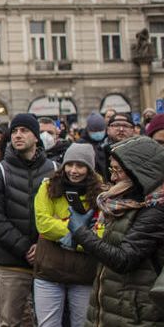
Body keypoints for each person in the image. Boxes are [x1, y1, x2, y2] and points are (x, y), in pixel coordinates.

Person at [70, 135, 164, 325]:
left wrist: (81, 233)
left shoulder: (155, 210)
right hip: (112, 308)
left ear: (139, 172)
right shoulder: (127, 203)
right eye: (111, 169)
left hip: (135, 313)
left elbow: (124, 259)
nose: (112, 177)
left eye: (117, 170)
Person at [0, 113, 57, 327]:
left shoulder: (54, 170)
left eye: (24, 130)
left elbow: (61, 213)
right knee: (10, 321)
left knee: (49, 321)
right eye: (14, 131)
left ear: (36, 137)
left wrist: (42, 245)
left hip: (49, 258)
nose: (17, 135)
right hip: (10, 261)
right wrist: (26, 247)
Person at [32, 143, 104, 327]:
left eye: (80, 165)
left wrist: (64, 230)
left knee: (83, 324)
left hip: (84, 272)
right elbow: (43, 224)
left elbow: (102, 233)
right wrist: (82, 234)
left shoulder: (101, 194)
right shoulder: (48, 187)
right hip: (49, 269)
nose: (73, 170)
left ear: (89, 168)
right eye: (69, 165)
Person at [80, 112, 108, 179]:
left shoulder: (107, 142)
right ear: (88, 130)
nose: (98, 133)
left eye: (101, 130)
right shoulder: (81, 144)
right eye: (95, 130)